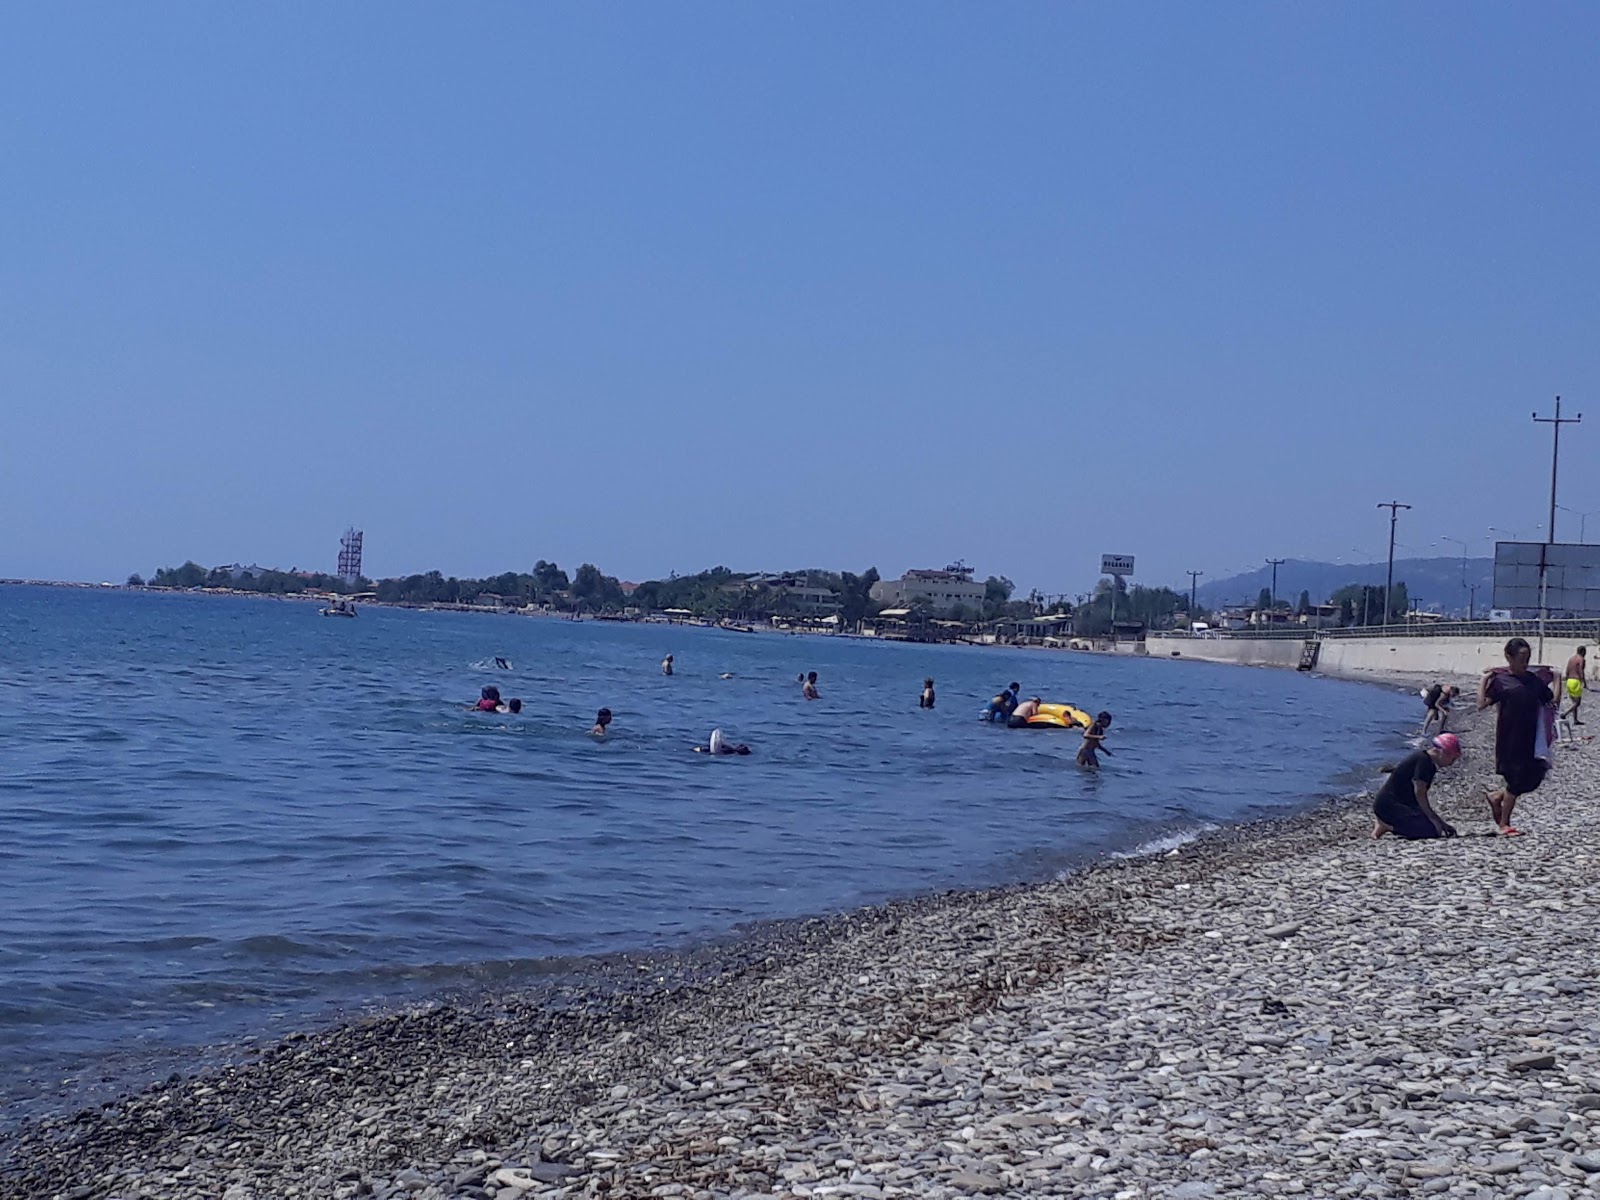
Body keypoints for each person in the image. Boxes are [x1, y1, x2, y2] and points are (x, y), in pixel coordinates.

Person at [1479, 637, 1555, 836]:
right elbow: (1481, 704)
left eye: (1528, 658)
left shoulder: (1534, 681)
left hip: (1531, 738)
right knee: (1515, 780)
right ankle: (1504, 824)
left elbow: (1551, 701)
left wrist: (1557, 680)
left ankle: (1497, 797)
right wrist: (1484, 681)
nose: (1525, 662)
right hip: (1509, 738)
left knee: (1535, 777)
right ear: (1509, 657)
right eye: (1521, 658)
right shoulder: (1501, 681)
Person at [1372, 733, 1462, 839]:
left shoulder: (1427, 761)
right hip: (1389, 805)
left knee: (1433, 826)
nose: (1452, 763)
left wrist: (1441, 823)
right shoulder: (1424, 762)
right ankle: (1387, 826)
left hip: (1398, 803)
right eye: (1452, 758)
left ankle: (1384, 824)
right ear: (1442, 752)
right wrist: (1433, 818)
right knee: (1430, 831)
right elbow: (1419, 793)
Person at [1565, 645, 1587, 725]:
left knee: (1574, 702)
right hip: (1576, 681)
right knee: (1577, 703)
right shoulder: (1581, 659)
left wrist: (1566, 678)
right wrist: (1584, 682)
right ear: (1583, 652)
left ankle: (1575, 720)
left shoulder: (1571, 659)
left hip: (1569, 680)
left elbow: (1567, 669)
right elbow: (1581, 670)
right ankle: (1565, 713)